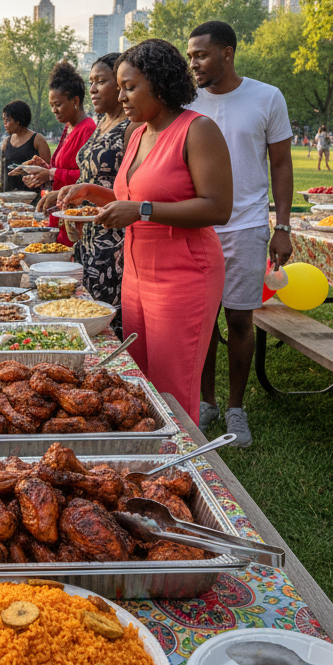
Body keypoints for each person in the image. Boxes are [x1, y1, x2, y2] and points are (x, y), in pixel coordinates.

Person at [56, 39, 232, 423]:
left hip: (183, 275)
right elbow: (132, 196)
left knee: (173, 388)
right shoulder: (137, 133)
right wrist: (91, 192)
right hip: (136, 275)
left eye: (129, 87)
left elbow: (217, 207)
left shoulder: (197, 130)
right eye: (118, 87)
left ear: (160, 82)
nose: (121, 97)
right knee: (140, 383)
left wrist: (143, 211)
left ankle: (179, 469)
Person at [187, 21, 294, 447]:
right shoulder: (187, 100)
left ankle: (236, 407)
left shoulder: (266, 96)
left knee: (239, 318)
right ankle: (206, 401)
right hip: (197, 223)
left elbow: (282, 164)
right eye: (190, 55)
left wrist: (282, 226)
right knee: (204, 320)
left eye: (201, 55)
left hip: (247, 224)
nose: (193, 63)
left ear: (227, 53)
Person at [37, 53, 133, 336]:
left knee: (106, 315)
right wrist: (67, 196)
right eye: (91, 82)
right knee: (86, 307)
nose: (92, 89)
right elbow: (86, 174)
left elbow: (133, 188)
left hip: (113, 237)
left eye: (100, 82)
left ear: (120, 85)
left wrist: (86, 191)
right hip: (89, 233)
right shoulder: (101, 122)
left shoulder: (131, 127)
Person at [23, 62, 97, 245]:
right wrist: (43, 169)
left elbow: (89, 177)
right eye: (51, 105)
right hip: (59, 213)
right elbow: (62, 168)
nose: (53, 110)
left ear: (75, 101)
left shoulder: (88, 129)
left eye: (58, 104)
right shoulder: (68, 127)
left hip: (74, 218)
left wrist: (51, 173)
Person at [2, 100, 52, 199]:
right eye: (3, 120)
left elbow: (48, 170)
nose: (4, 123)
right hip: (10, 197)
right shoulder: (6, 142)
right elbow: (3, 173)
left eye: (7, 120)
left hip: (33, 198)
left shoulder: (37, 140)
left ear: (18, 121)